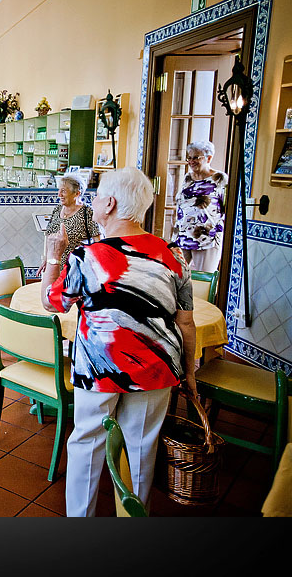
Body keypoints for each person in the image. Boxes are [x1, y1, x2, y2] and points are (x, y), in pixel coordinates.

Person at [40, 167, 197, 517]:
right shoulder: (173, 254)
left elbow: (52, 302)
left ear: (109, 203)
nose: (93, 201)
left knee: (87, 442)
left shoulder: (88, 256)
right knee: (142, 447)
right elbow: (186, 322)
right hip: (157, 366)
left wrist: (54, 256)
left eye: (96, 196)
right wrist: (190, 373)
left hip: (100, 367)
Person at [171, 140, 227, 272]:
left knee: (203, 280)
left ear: (209, 158)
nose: (191, 161)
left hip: (206, 238)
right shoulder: (188, 178)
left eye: (196, 157)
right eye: (189, 158)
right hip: (183, 236)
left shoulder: (219, 178)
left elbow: (227, 208)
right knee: (176, 277)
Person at [37, 173, 100, 275]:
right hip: (54, 266)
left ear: (77, 193)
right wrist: (46, 258)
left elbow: (98, 241)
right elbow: (48, 235)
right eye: (59, 190)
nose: (59, 195)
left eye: (64, 191)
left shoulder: (87, 212)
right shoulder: (57, 209)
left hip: (76, 269)